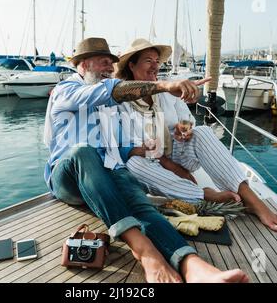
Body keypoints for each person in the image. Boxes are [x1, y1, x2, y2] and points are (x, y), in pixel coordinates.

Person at [44, 37, 249, 283]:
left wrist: (146, 152)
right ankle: (147, 255)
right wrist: (164, 85)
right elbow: (110, 91)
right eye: (103, 62)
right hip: (68, 178)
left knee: (142, 206)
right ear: (83, 64)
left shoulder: (110, 105)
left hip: (107, 172)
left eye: (112, 62)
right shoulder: (67, 90)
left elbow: (121, 144)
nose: (110, 67)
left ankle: (193, 266)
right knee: (83, 152)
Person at [115, 38, 277, 232]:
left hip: (176, 153)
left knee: (202, 132)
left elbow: (188, 119)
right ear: (131, 65)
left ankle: (251, 198)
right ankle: (205, 194)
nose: (155, 65)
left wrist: (184, 129)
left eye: (157, 60)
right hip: (150, 166)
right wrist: (174, 168)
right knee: (134, 164)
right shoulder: (120, 101)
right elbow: (123, 147)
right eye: (148, 60)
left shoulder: (167, 91)